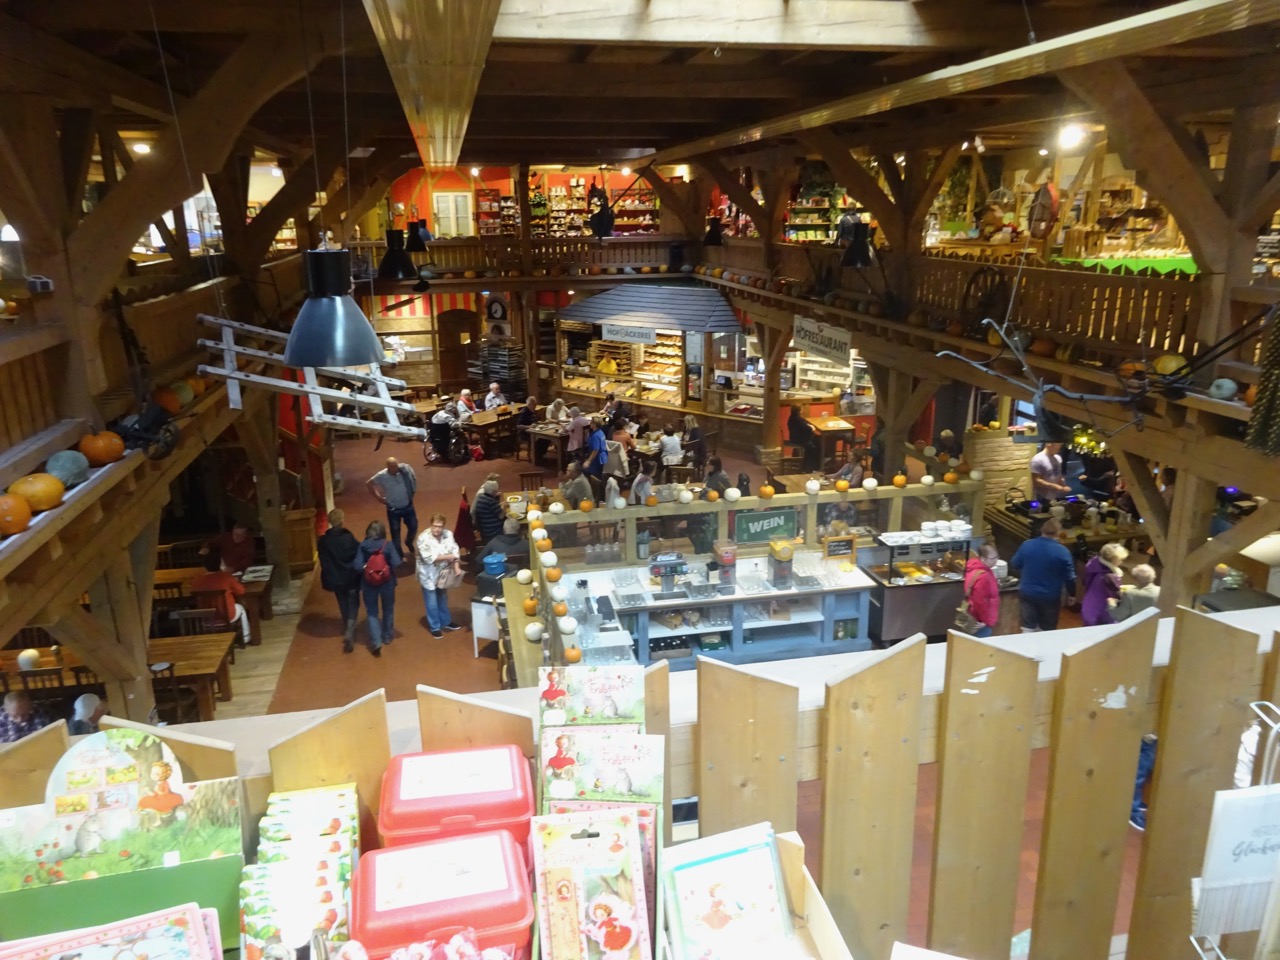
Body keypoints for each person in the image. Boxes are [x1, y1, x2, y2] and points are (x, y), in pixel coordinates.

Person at [1009, 518, 1077, 632]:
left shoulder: (1027, 545)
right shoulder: (1063, 552)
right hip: (1050, 596)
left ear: (1041, 530)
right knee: (1046, 631)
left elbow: (1015, 564)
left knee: (1027, 628)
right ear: (1058, 533)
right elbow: (1070, 577)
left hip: (1027, 592)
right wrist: (1072, 594)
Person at [351, 520, 402, 657]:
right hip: (387, 582)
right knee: (388, 609)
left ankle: (376, 641)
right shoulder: (388, 545)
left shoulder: (363, 545)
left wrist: (367, 568)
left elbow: (356, 565)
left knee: (372, 612)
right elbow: (397, 562)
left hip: (369, 584)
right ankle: (387, 636)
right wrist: (386, 567)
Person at [318, 508, 362, 653]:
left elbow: (323, 561)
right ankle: (350, 630)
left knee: (342, 602)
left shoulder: (324, 541)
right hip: (350, 576)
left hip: (335, 578)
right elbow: (357, 553)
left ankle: (347, 625)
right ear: (342, 521)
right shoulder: (348, 537)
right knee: (354, 602)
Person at [415, 513, 463, 639]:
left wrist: (456, 566)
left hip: (443, 573)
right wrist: (449, 557)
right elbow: (430, 558)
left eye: (440, 527)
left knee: (442, 597)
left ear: (443, 527)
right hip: (428, 574)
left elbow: (454, 550)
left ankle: (446, 622)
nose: (437, 529)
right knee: (431, 601)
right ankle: (435, 626)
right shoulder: (423, 538)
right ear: (431, 525)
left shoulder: (448, 535)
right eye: (435, 526)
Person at [189, 551, 250, 646]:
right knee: (241, 609)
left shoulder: (196, 580)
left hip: (206, 619)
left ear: (204, 566)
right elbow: (241, 591)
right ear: (220, 564)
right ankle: (245, 637)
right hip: (227, 615)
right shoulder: (226, 577)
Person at [366, 457, 419, 559]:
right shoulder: (382, 475)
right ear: (388, 467)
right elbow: (368, 484)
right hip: (393, 510)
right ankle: (399, 554)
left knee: (414, 526)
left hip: (408, 506)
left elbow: (413, 479)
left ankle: (408, 541)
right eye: (392, 467)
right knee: (395, 534)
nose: (395, 469)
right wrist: (379, 498)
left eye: (396, 466)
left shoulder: (404, 471)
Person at [1081, 541, 1128, 627]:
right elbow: (1118, 596)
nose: (1121, 562)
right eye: (1120, 559)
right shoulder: (1110, 577)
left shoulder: (1094, 566)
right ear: (1114, 560)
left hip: (1088, 607)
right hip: (1099, 614)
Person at [962, 543, 1001, 638]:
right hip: (980, 621)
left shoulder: (975, 569)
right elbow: (980, 601)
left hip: (972, 615)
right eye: (992, 558)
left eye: (997, 557)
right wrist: (985, 621)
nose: (996, 560)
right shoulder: (983, 576)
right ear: (983, 559)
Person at [472, 478, 505, 544]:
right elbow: (501, 516)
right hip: (493, 531)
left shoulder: (482, 497)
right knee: (513, 525)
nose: (496, 492)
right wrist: (504, 507)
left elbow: (493, 509)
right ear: (493, 491)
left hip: (485, 529)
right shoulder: (491, 501)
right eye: (495, 491)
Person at [788, 405, 820, 471]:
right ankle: (809, 467)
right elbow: (806, 428)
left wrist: (809, 426)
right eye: (801, 409)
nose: (803, 410)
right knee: (813, 447)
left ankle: (812, 465)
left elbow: (804, 424)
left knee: (816, 440)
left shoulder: (793, 417)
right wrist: (811, 428)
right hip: (798, 439)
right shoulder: (796, 419)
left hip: (795, 437)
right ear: (799, 411)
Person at [582, 416, 609, 481]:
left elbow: (595, 450)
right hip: (603, 457)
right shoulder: (601, 432)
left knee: (593, 476)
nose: (590, 423)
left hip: (597, 459)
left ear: (595, 424)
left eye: (591, 422)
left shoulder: (595, 436)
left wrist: (588, 461)